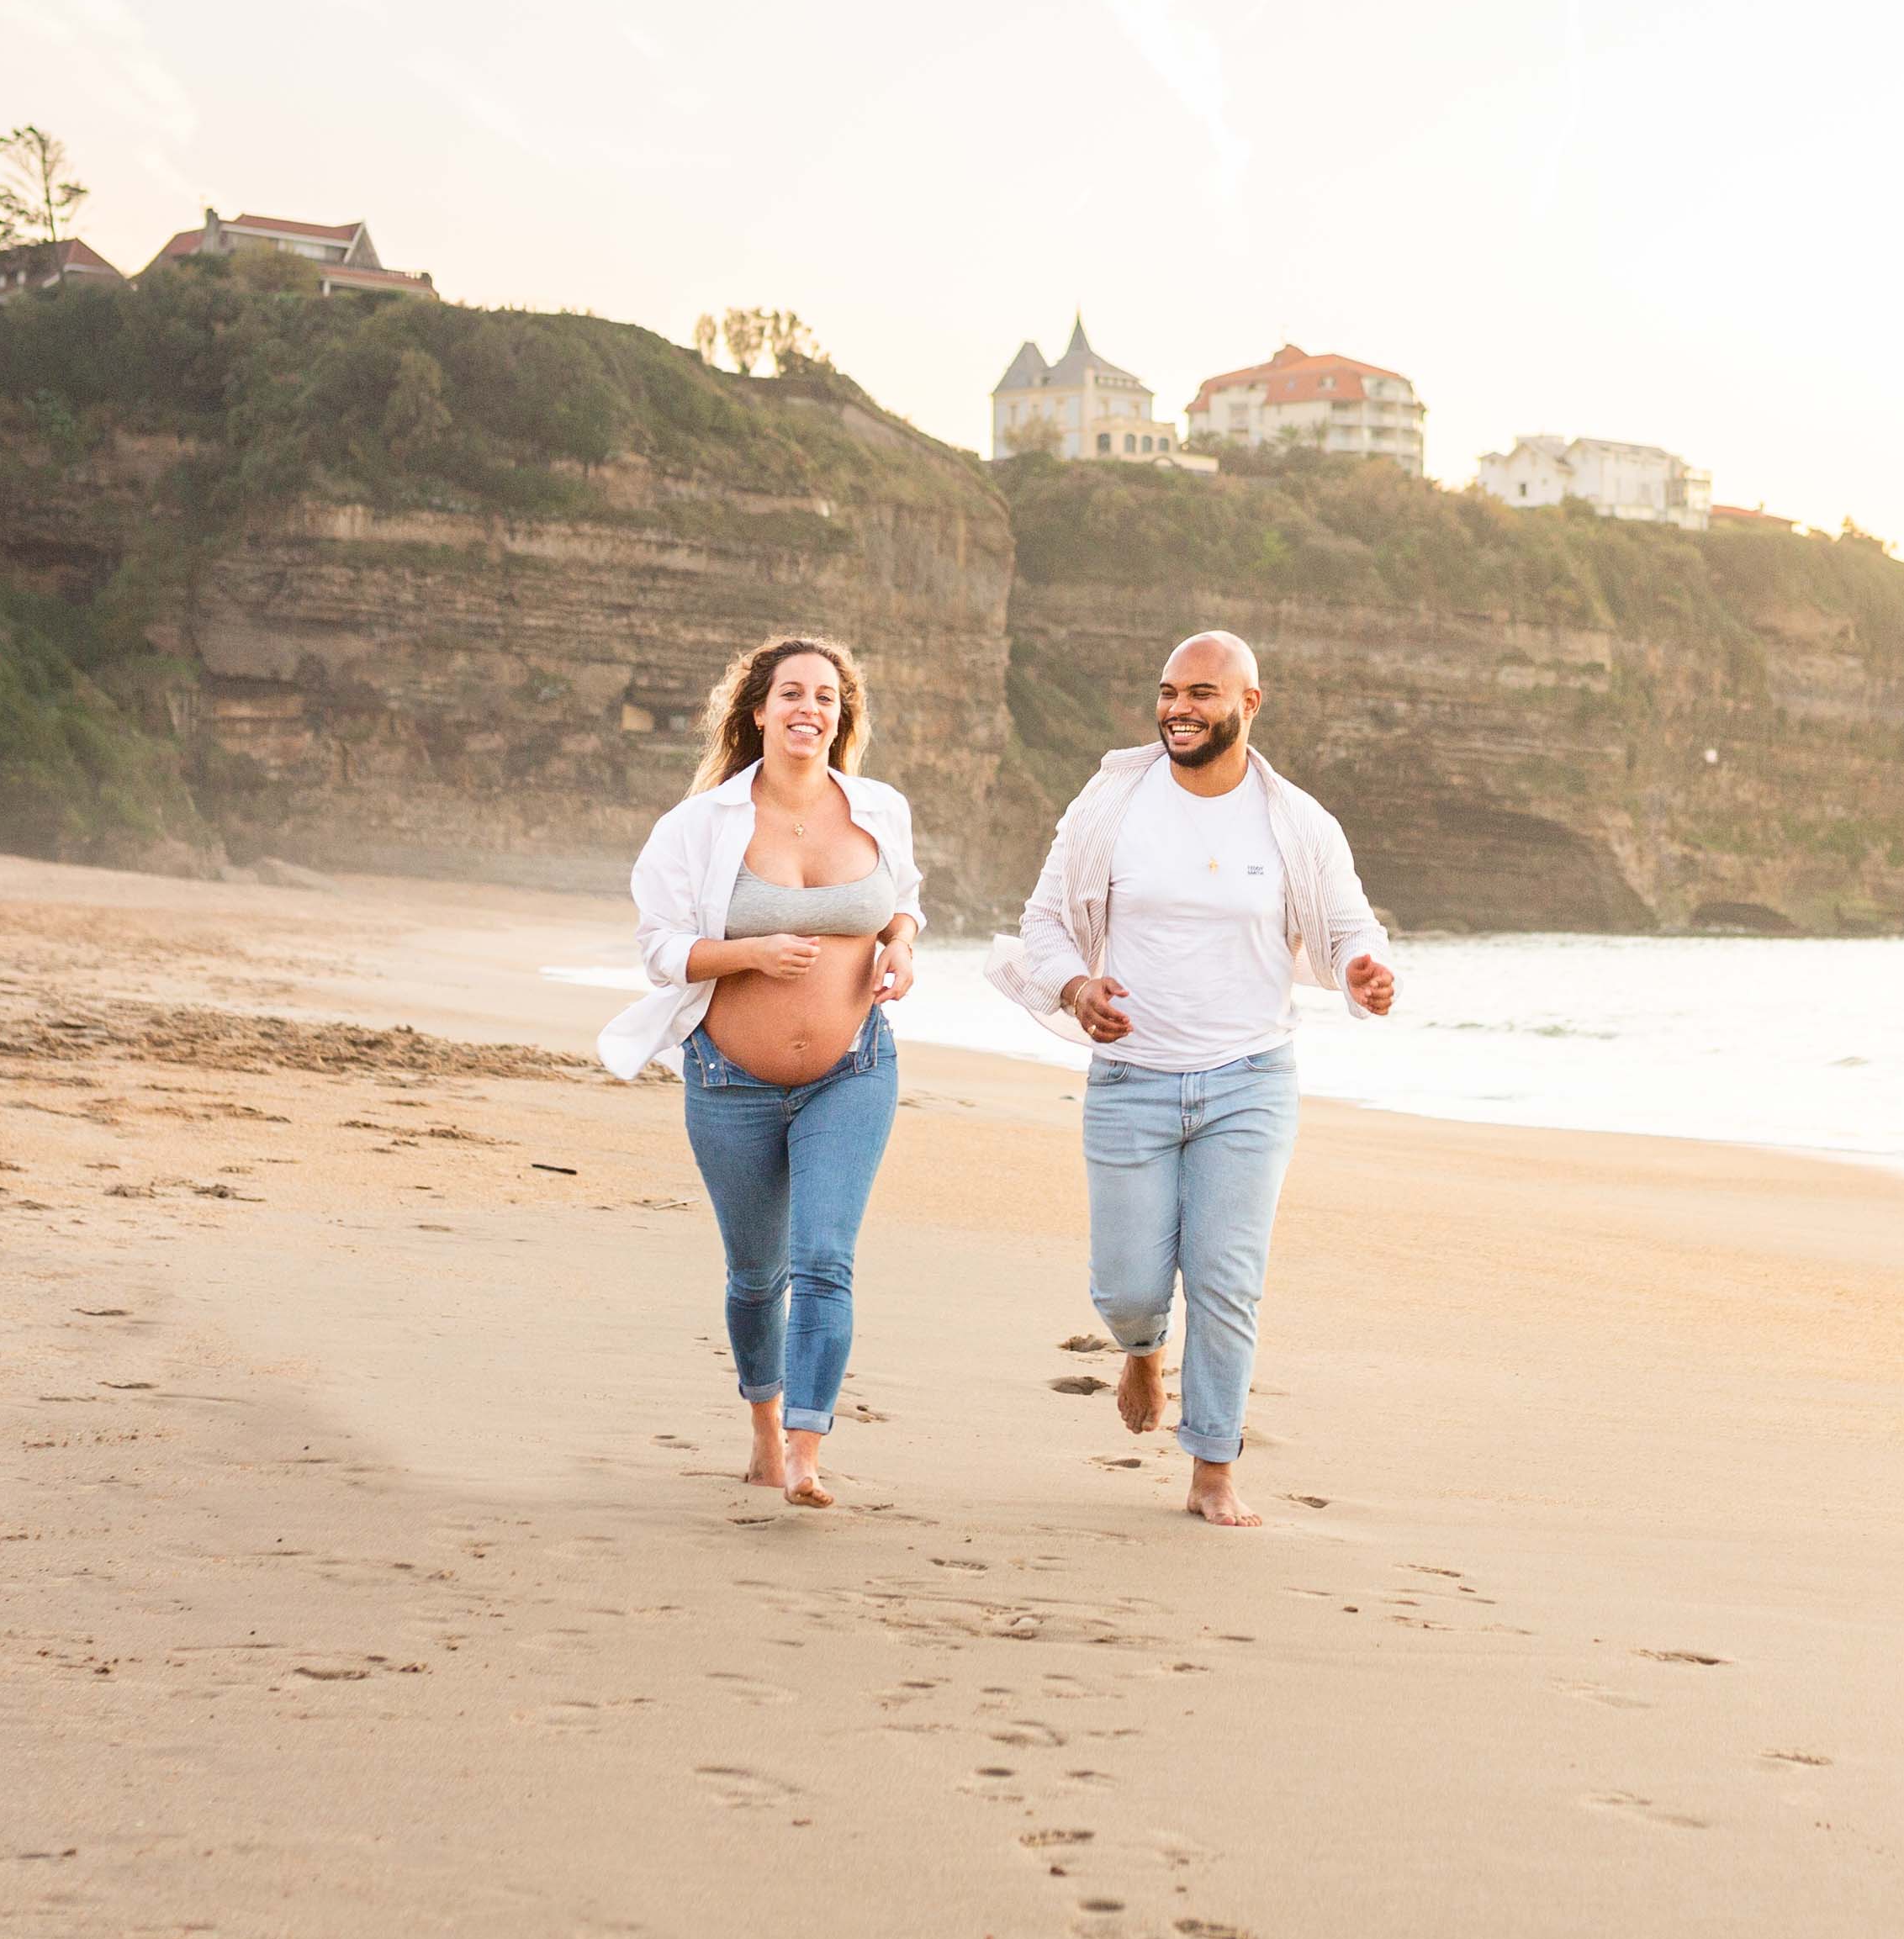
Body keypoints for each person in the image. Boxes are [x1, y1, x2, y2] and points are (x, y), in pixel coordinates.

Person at [997, 630, 1396, 1525]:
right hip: (1131, 1078)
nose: (1179, 708)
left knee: (1228, 1277)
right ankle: (1142, 1347)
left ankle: (1214, 1467)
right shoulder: (1112, 805)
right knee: (1129, 1288)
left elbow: (1345, 926)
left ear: (1250, 704)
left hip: (1250, 1080)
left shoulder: (1297, 821)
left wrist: (1364, 969)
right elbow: (1045, 918)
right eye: (1170, 691)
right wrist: (1073, 985)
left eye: (1203, 694)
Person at [598, 635, 923, 1510]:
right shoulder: (698, 826)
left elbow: (904, 904)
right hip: (729, 1082)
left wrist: (901, 946)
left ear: (840, 716)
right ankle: (764, 1427)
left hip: (852, 1070)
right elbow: (660, 949)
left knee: (825, 1259)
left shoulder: (879, 809)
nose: (808, 709)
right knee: (756, 1277)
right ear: (758, 712)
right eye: (790, 694)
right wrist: (748, 952)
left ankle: (807, 1451)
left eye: (825, 696)